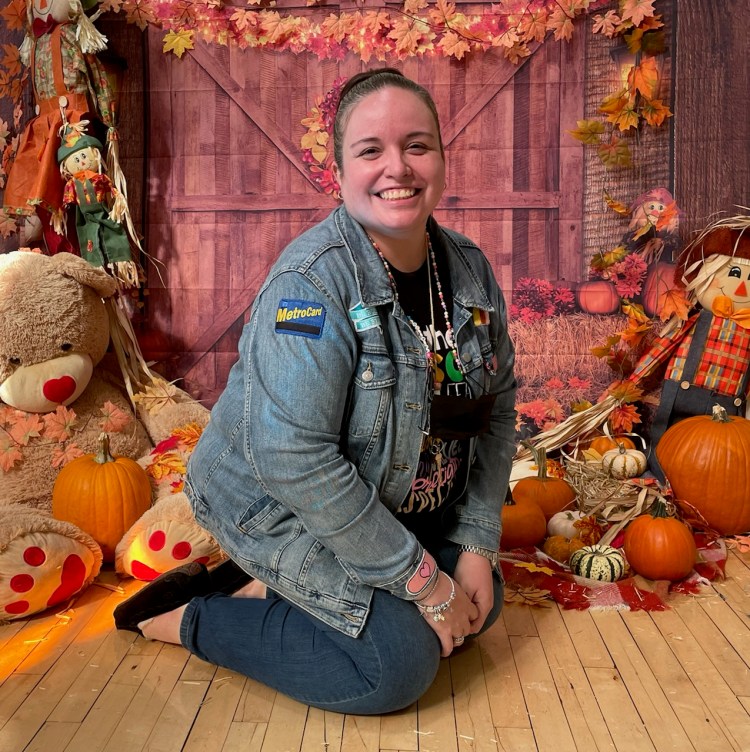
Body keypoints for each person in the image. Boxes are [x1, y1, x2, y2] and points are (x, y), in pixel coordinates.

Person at [114, 68, 517, 715]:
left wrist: (473, 544)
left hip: (385, 505)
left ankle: (269, 589)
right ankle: (188, 615)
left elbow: (496, 411)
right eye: (371, 150)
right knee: (397, 665)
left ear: (442, 159)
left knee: (481, 603)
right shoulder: (310, 286)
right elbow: (295, 462)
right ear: (340, 171)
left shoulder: (467, 270)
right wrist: (422, 581)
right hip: (278, 506)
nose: (398, 167)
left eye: (416, 145)